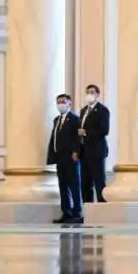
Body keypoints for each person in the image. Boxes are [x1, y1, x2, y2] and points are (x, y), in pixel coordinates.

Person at [47, 93, 82, 224]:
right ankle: (66, 212)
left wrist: (76, 152)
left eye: (63, 101)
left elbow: (78, 138)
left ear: (69, 103)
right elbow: (54, 138)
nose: (60, 104)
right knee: (62, 186)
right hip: (59, 157)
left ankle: (77, 212)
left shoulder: (74, 119)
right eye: (58, 102)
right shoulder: (56, 120)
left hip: (71, 157)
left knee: (74, 185)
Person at [78, 84, 109, 202]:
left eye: (92, 92)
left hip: (97, 151)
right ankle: (87, 209)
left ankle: (102, 210)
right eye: (87, 92)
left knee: (99, 182)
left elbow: (104, 130)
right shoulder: (83, 111)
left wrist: (86, 132)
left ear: (97, 94)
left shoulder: (102, 110)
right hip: (84, 152)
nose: (89, 95)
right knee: (85, 183)